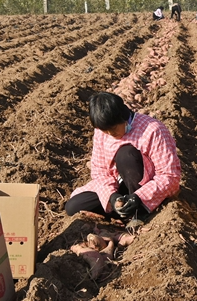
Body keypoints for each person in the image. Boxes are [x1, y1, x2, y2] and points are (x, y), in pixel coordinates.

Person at [66, 92, 181, 221]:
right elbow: (100, 171)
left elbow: (170, 175)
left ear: (123, 117)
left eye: (113, 129)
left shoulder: (153, 130)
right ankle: (124, 211)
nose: (110, 134)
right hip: (119, 185)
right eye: (105, 131)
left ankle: (140, 212)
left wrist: (139, 197)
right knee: (74, 206)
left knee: (126, 155)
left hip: (145, 189)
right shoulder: (100, 132)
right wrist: (112, 197)